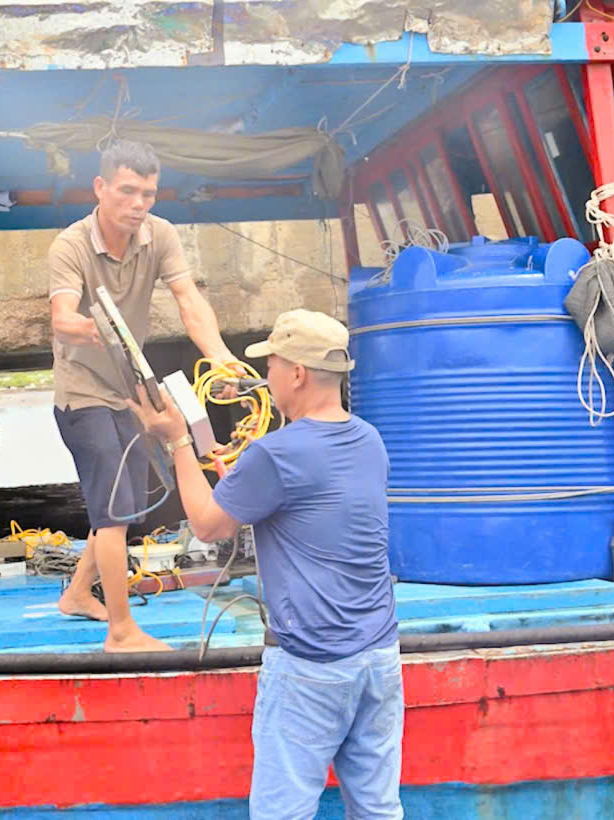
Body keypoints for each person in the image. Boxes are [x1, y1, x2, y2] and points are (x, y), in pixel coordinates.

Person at [129, 309, 404, 819]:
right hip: (379, 658)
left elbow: (210, 526)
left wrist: (177, 440)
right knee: (378, 809)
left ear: (297, 374)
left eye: (272, 364)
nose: (266, 376)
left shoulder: (276, 455)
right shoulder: (370, 439)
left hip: (310, 665)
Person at [49, 139, 241, 653]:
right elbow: (61, 315)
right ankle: (121, 631)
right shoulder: (70, 245)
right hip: (82, 393)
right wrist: (85, 327)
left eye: (149, 194)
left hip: (128, 388)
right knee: (111, 511)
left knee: (125, 506)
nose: (139, 204)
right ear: (101, 187)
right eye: (128, 191)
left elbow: (188, 300)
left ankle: (75, 594)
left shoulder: (159, 236)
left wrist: (220, 354)